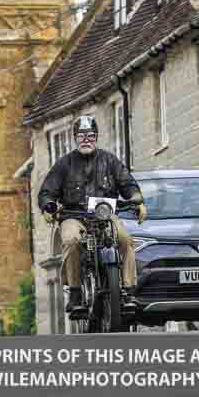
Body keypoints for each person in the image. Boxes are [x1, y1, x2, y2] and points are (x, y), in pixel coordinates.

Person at [38, 114, 147, 312]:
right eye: (81, 136)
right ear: (75, 138)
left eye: (90, 135)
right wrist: (47, 206)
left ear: (96, 137)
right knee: (71, 241)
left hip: (105, 214)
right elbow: (47, 190)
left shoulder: (110, 160)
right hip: (73, 215)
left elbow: (127, 182)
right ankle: (75, 292)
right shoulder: (64, 164)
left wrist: (137, 199)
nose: (86, 140)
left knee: (125, 240)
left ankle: (129, 291)